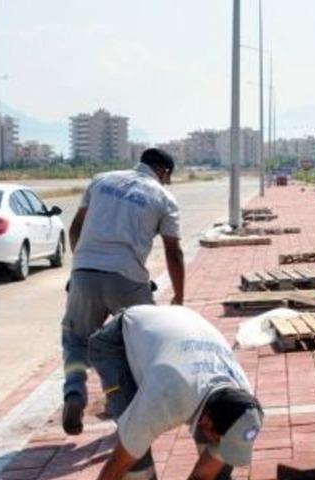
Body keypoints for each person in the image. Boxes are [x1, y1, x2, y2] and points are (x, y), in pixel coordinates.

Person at [61, 148, 185, 435]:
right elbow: (173, 251)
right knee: (135, 344)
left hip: (85, 273)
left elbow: (76, 228)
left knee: (76, 339)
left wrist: (80, 265)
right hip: (128, 279)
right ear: (164, 172)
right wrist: (179, 295)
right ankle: (128, 411)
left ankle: (74, 391)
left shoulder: (101, 180)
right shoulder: (163, 197)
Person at [88, 305, 263, 480]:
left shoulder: (245, 406)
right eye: (220, 440)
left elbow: (203, 476)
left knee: (219, 471)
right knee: (137, 467)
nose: (221, 448)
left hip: (179, 330)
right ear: (206, 421)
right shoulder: (164, 400)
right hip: (118, 344)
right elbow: (118, 464)